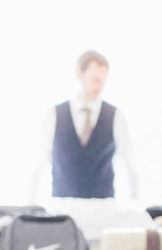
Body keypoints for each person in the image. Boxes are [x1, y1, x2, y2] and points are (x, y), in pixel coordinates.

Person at [29, 50, 139, 201]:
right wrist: (30, 208)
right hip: (62, 209)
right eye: (95, 79)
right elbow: (39, 164)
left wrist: (135, 207)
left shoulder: (116, 116)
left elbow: (129, 165)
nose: (100, 85)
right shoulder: (54, 115)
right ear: (79, 74)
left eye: (103, 79)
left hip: (104, 208)